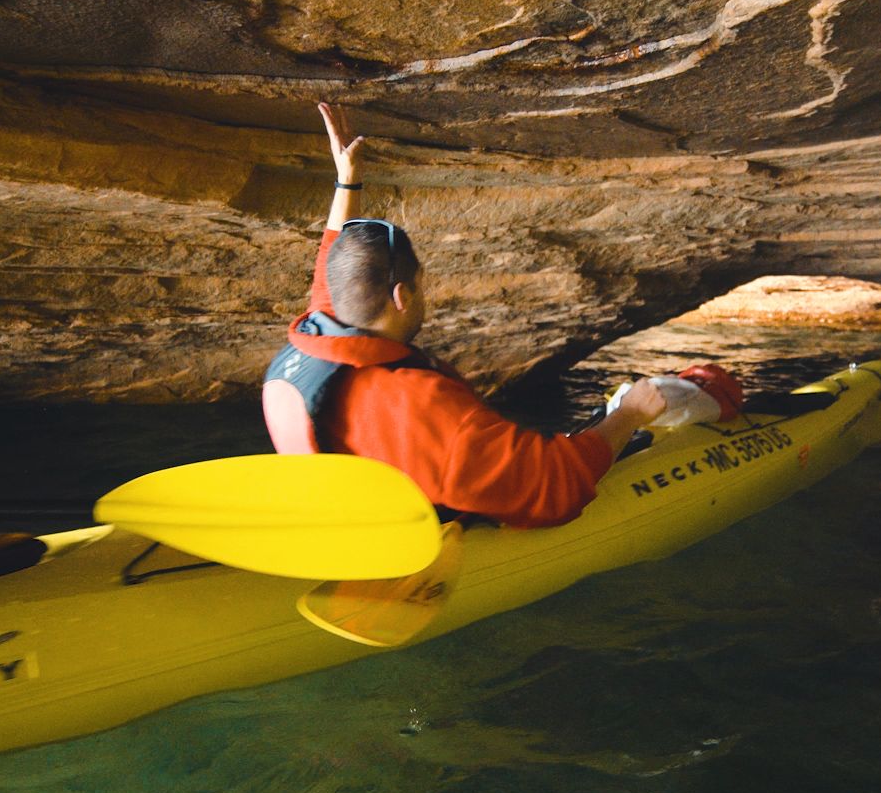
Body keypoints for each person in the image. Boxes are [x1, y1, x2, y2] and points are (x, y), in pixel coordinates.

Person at [263, 103, 667, 528]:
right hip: (410, 543)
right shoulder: (421, 407)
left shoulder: (313, 336)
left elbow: (333, 255)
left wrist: (348, 180)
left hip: (348, 505)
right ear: (402, 296)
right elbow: (552, 485)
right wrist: (630, 414)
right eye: (422, 283)